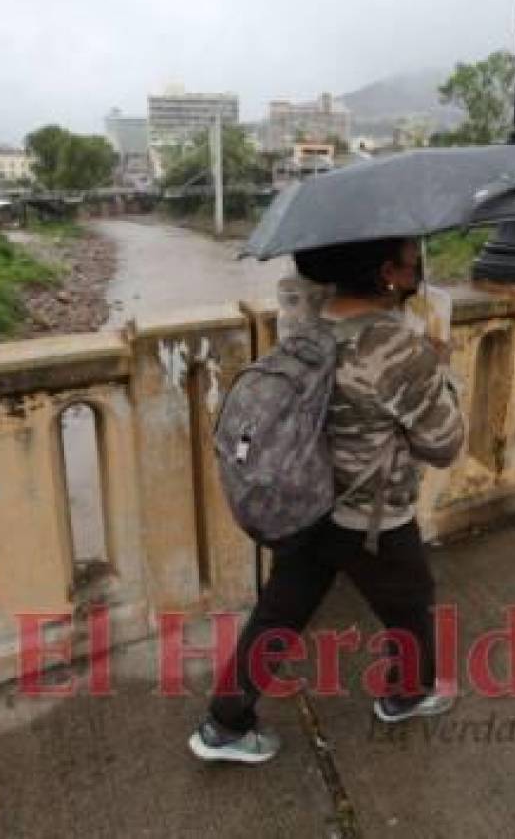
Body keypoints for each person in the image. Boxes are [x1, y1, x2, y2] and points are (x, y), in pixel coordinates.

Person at [189, 237, 466, 764]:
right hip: (371, 519)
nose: (419, 269)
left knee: (278, 616)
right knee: (411, 604)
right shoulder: (400, 350)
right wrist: (442, 375)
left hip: (301, 506)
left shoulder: (304, 329)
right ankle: (407, 695)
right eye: (414, 263)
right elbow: (445, 445)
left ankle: (224, 725)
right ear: (388, 273)